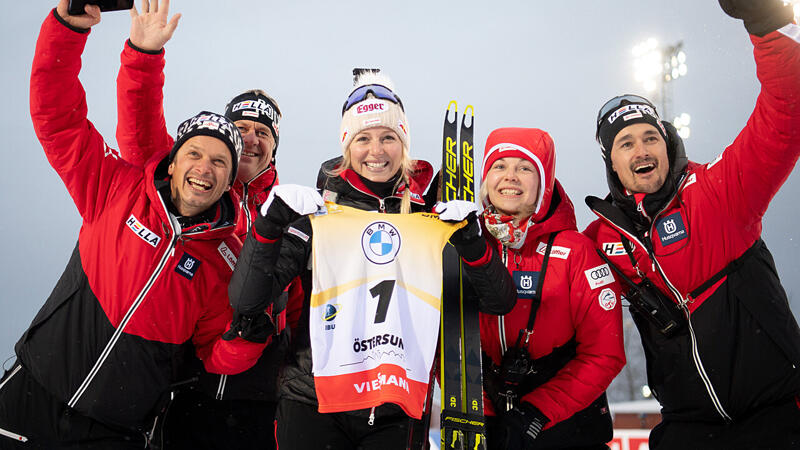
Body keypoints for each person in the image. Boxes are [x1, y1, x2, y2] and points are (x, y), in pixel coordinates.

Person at [0, 2, 267, 448]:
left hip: (115, 430)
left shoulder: (226, 260)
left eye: (221, 161)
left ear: (229, 181)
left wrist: (248, 339)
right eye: (195, 153)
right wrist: (67, 29)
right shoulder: (116, 188)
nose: (205, 167)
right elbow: (57, 117)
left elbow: (215, 354)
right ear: (174, 159)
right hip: (32, 397)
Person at [228, 72, 517, 450]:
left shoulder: (429, 215)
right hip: (313, 401)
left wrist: (473, 243)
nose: (376, 151)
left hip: (396, 407)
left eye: (388, 138)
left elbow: (500, 301)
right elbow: (247, 300)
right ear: (347, 145)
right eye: (363, 138)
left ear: (404, 144)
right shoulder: (319, 215)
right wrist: (267, 227)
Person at [583, 1, 800, 448]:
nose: (642, 150)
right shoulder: (602, 241)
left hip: (775, 416)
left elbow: (786, 113)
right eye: (626, 143)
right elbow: (550, 273)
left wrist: (768, 23)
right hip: (688, 427)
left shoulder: (719, 191)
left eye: (650, 137)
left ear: (668, 143)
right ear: (611, 162)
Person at [113, 3, 293, 448]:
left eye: (263, 132)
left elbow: (302, 301)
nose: (251, 138)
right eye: (242, 127)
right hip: (184, 386)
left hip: (257, 394)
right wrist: (143, 55)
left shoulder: (291, 211)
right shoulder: (200, 191)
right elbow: (140, 136)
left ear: (274, 147)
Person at [476, 129, 625, 450]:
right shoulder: (470, 246)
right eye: (499, 166)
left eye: (525, 168)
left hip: (566, 427)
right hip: (492, 426)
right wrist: (482, 411)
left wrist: (538, 410)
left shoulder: (576, 251)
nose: (510, 177)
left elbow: (605, 353)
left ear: (543, 183)